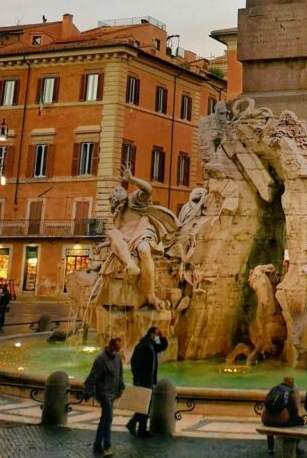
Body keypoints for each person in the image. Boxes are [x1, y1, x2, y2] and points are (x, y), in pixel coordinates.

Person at [98, 166, 179, 309]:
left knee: (143, 249)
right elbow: (118, 234)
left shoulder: (134, 200)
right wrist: (105, 244)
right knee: (111, 233)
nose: (119, 208)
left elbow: (148, 190)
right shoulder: (117, 214)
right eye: (117, 207)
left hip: (144, 233)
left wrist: (131, 179)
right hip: (127, 240)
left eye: (121, 204)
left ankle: (151, 295)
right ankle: (131, 264)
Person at [84, 336, 125, 455]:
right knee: (108, 417)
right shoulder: (100, 359)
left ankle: (97, 445)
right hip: (103, 393)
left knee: (105, 419)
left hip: (113, 392)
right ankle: (107, 445)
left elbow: (120, 373)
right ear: (111, 346)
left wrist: (121, 387)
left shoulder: (118, 357)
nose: (118, 350)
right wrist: (88, 391)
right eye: (117, 348)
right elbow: (93, 376)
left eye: (119, 348)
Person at [127, 326, 168, 438]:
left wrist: (161, 336)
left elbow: (162, 346)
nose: (156, 336)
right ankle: (132, 423)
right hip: (142, 381)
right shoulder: (143, 346)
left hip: (148, 380)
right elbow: (134, 362)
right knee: (143, 405)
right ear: (150, 334)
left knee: (146, 406)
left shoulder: (151, 345)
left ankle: (142, 429)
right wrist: (138, 378)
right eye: (155, 334)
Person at [262, 375, 304, 455]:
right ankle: (295, 447)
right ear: (291, 384)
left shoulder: (274, 388)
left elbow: (266, 402)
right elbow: (294, 410)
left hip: (266, 419)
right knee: (300, 421)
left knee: (271, 422)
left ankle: (270, 447)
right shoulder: (289, 391)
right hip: (281, 421)